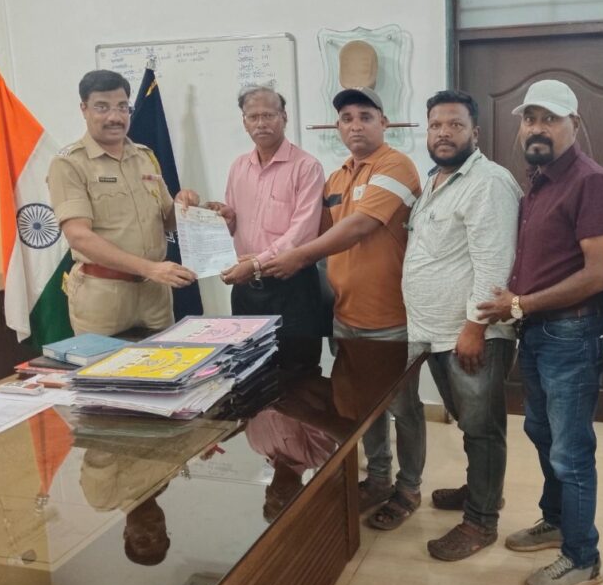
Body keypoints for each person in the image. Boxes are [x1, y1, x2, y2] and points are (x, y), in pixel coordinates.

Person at [478, 79, 603, 585]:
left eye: (550, 119)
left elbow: (598, 273)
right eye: (530, 118)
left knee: (570, 450)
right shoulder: (539, 178)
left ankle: (583, 558)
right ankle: (557, 521)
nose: (537, 128)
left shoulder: (590, 182)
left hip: (571, 333)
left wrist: (520, 304)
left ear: (573, 124)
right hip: (539, 330)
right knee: (542, 432)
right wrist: (521, 305)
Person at [262, 87, 426, 530]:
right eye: (347, 118)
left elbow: (357, 227)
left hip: (390, 319)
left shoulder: (396, 166)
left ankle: (409, 489)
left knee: (403, 409)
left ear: (383, 123)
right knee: (358, 408)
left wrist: (297, 257)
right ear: (337, 127)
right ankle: (379, 479)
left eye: (365, 117)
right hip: (345, 317)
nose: (356, 125)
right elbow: (312, 230)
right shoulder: (336, 178)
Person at [402, 89, 520, 560]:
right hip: (436, 333)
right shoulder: (436, 181)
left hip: (471, 335)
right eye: (436, 125)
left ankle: (480, 522)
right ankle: (480, 491)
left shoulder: (488, 182)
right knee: (469, 422)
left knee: (483, 429)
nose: (444, 133)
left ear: (476, 132)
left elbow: (494, 266)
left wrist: (474, 329)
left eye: (455, 124)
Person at [175, 85, 326, 363]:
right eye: (253, 117)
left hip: (291, 287)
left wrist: (256, 264)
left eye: (268, 115)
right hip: (246, 289)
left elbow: (302, 233)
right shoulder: (239, 167)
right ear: (244, 122)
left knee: (298, 372)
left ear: (284, 117)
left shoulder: (306, 167)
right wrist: (224, 221)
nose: (261, 123)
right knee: (249, 369)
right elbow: (234, 228)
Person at [47, 69, 196, 336]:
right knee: (106, 363)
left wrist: (184, 206)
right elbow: (79, 237)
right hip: (103, 296)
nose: (114, 117)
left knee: (165, 360)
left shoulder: (144, 157)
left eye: (122, 107)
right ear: (84, 109)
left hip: (155, 295)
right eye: (102, 107)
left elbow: (167, 221)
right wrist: (151, 268)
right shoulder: (69, 164)